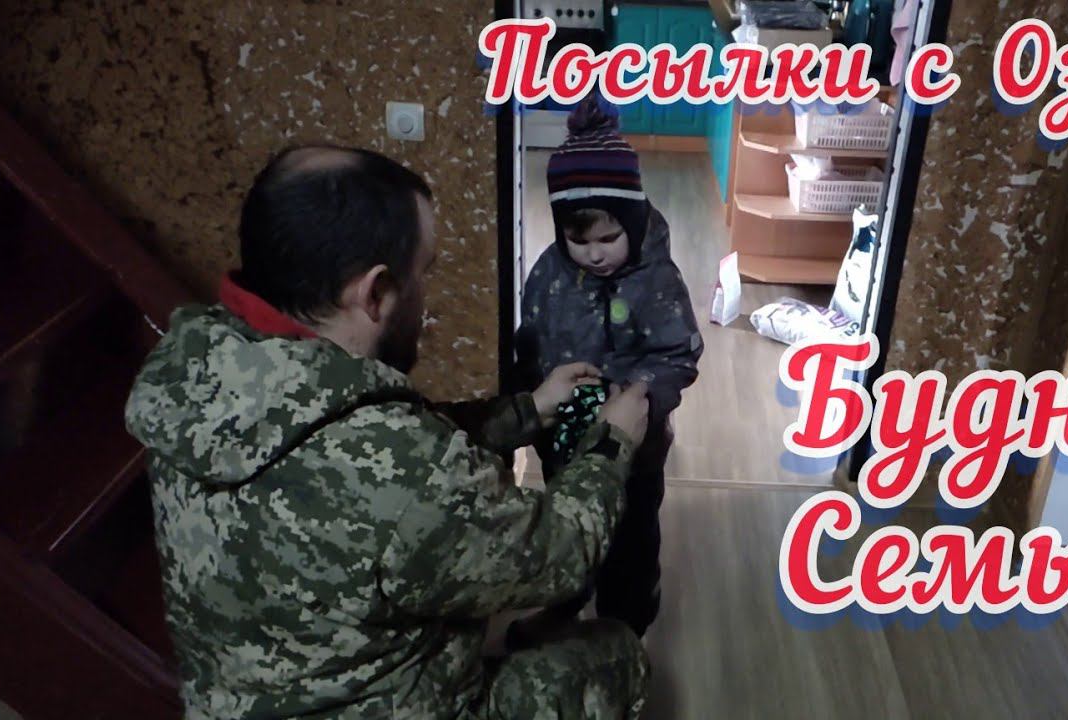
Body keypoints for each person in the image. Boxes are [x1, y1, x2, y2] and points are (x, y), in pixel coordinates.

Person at [124, 145, 652, 719]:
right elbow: (563, 552)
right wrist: (611, 442)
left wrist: (526, 411)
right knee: (614, 654)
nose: (425, 296)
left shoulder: (199, 370)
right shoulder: (410, 476)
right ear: (374, 293)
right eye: (422, 273)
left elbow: (373, 450)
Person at [511, 96, 703, 646]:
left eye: (607, 239)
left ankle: (623, 627)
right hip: (564, 442)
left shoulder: (656, 280)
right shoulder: (549, 273)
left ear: (634, 223)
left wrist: (641, 396)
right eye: (579, 241)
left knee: (630, 537)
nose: (594, 254)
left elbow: (678, 354)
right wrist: (531, 399)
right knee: (566, 527)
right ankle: (566, 607)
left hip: (634, 443)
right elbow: (531, 340)